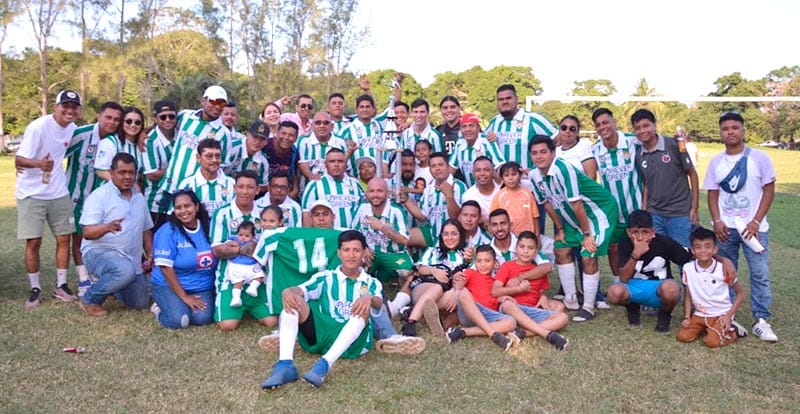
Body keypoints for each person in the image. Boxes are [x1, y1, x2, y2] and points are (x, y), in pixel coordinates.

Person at [260, 231, 384, 389]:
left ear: (364, 252)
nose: (351, 255)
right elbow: (300, 290)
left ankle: (324, 365)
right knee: (293, 302)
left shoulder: (371, 282)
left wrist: (369, 298)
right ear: (339, 252)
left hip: (353, 344)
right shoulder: (325, 277)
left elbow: (378, 303)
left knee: (362, 312)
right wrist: (288, 291)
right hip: (323, 335)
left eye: (356, 250)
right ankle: (285, 365)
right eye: (346, 250)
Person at [529, 135, 622, 322]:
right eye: (534, 153)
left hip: (598, 212)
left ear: (553, 153)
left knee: (588, 254)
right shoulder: (534, 175)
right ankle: (571, 299)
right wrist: (560, 229)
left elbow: (577, 204)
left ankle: (588, 307)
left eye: (543, 152)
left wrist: (587, 234)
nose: (539, 157)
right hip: (574, 217)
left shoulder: (564, 169)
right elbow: (547, 203)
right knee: (561, 249)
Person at [704, 111, 778, 342]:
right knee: (726, 272)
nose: (730, 132)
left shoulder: (759, 157)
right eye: (725, 129)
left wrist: (756, 221)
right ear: (720, 133)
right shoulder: (716, 161)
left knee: (760, 273)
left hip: (754, 229)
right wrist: (717, 221)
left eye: (735, 127)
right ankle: (729, 316)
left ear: (743, 130)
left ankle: (761, 320)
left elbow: (769, 190)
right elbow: (712, 194)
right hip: (726, 229)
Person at [15, 89, 82, 308]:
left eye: (74, 107)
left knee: (64, 238)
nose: (70, 110)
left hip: (58, 191)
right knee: (34, 241)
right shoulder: (38, 127)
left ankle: (61, 286)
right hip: (31, 192)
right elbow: (19, 159)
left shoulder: (73, 129)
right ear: (56, 107)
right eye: (66, 106)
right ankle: (35, 288)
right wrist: (39, 164)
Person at [78, 153, 153, 317]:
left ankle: (113, 285)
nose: (127, 177)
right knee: (124, 271)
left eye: (131, 173)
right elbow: (87, 232)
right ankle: (89, 299)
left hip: (130, 259)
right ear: (112, 173)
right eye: (122, 172)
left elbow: (146, 229)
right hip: (99, 253)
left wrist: (150, 253)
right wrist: (107, 227)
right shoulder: (99, 196)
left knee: (140, 302)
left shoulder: (139, 197)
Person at [66, 100, 123, 297]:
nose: (112, 122)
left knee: (102, 235)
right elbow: (58, 153)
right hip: (77, 195)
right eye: (108, 117)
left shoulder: (117, 140)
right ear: (99, 116)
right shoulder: (82, 134)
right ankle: (83, 277)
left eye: (116, 119)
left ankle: (98, 274)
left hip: (103, 199)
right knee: (78, 236)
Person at [605, 210, 693, 332]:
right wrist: (635, 254)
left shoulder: (664, 242)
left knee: (671, 289)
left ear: (653, 232)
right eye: (635, 232)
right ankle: (632, 306)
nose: (640, 237)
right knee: (614, 293)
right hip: (633, 285)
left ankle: (665, 314)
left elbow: (688, 256)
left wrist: (718, 258)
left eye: (645, 232)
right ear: (628, 232)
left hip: (659, 287)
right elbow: (624, 278)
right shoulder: (624, 244)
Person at [210, 170, 269, 331]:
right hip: (230, 278)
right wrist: (244, 249)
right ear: (234, 188)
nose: (245, 191)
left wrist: (236, 248)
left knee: (272, 321)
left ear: (257, 190)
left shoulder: (264, 213)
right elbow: (217, 250)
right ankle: (235, 304)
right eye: (241, 187)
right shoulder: (223, 213)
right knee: (228, 325)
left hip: (257, 277)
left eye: (250, 187)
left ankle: (251, 304)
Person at [591, 107, 643, 287]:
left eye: (605, 122)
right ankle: (618, 281)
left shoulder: (633, 141)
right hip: (613, 211)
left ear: (614, 122)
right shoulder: (595, 150)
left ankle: (641, 282)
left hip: (636, 208)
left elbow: (654, 141)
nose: (602, 127)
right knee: (613, 248)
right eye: (598, 125)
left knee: (640, 246)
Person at [632, 108, 698, 247]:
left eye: (646, 126)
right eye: (638, 128)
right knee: (659, 255)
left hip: (679, 213)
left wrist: (695, 207)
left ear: (654, 126)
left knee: (682, 253)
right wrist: (645, 208)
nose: (642, 131)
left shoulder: (674, 145)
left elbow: (692, 174)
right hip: (655, 214)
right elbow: (647, 182)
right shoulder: (639, 154)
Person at [492, 231, 569, 350]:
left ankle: (523, 332)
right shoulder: (507, 266)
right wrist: (518, 289)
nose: (525, 251)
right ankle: (546, 333)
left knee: (562, 315)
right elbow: (495, 291)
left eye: (530, 248)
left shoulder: (538, 270)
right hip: (514, 308)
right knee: (507, 304)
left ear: (536, 251)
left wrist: (543, 297)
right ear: (516, 248)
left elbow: (542, 291)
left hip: (532, 309)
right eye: (522, 247)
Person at [150, 189, 216, 329]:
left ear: (196, 206)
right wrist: (184, 296)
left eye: (187, 206)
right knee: (179, 321)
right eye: (178, 207)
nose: (183, 211)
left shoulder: (210, 226)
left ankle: (177, 306)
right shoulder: (168, 231)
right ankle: (160, 308)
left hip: (201, 286)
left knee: (203, 318)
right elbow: (165, 268)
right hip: (169, 284)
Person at [677, 227, 745, 348]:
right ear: (692, 250)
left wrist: (728, 315)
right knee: (683, 336)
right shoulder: (688, 268)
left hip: (721, 314)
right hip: (700, 314)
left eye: (708, 247)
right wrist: (687, 317)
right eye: (698, 247)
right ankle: (710, 328)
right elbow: (688, 295)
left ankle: (734, 330)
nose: (703, 250)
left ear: (715, 249)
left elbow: (740, 293)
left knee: (711, 342)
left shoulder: (723, 269)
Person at [401, 219, 470, 338]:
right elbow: (419, 268)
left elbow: (467, 276)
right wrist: (434, 271)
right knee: (437, 288)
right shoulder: (433, 251)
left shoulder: (465, 255)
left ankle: (417, 310)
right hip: (425, 286)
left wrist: (456, 291)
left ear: (461, 235)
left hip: (448, 292)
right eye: (446, 234)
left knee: (461, 295)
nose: (450, 238)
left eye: (454, 234)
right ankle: (411, 321)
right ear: (441, 236)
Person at [161, 85, 233, 197]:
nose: (218, 106)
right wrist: (143, 134)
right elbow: (163, 126)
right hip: (170, 186)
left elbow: (222, 166)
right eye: (214, 101)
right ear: (203, 101)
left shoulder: (224, 134)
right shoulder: (185, 116)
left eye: (222, 104)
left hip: (195, 193)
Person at [445, 245, 516, 351]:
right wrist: (457, 288)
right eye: (479, 261)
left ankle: (463, 332)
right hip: (470, 313)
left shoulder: (496, 282)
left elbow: (493, 299)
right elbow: (459, 283)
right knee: (463, 292)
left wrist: (501, 299)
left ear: (495, 263)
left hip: (487, 316)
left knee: (511, 322)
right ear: (475, 262)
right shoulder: (471, 273)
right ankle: (492, 334)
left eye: (487, 261)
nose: (483, 265)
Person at [352, 177, 414, 282]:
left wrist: (382, 227)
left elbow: (404, 240)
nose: (375, 195)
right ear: (366, 194)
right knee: (352, 266)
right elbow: (353, 233)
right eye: (371, 191)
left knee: (407, 273)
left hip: (394, 254)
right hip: (370, 253)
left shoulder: (396, 211)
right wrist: (364, 247)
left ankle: (398, 287)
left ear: (387, 193)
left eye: (379, 191)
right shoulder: (362, 208)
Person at [485, 84, 556, 171]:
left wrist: (539, 170)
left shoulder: (533, 119)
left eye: (508, 98)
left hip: (528, 178)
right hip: (502, 178)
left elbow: (557, 140)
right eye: (501, 99)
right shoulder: (495, 121)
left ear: (517, 99)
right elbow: (483, 143)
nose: (504, 102)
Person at [405, 152, 468, 248]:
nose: (437, 168)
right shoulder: (429, 189)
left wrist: (449, 197)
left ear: (448, 167)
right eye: (433, 166)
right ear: (430, 170)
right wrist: (405, 201)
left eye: (440, 165)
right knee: (403, 237)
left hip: (454, 236)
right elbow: (423, 216)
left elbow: (457, 217)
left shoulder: (459, 186)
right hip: (432, 232)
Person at [301, 148, 363, 228]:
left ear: (345, 163)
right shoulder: (314, 185)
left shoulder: (355, 184)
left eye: (340, 161)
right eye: (332, 161)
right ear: (325, 164)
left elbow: (363, 210)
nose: (336, 164)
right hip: (327, 234)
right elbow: (306, 214)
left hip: (352, 234)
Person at [142, 99, 178, 231]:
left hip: (178, 202)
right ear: (155, 119)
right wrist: (180, 170)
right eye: (163, 117)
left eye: (171, 116)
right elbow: (152, 174)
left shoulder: (182, 134)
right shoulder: (150, 141)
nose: (167, 120)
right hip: (156, 201)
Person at [178, 139, 235, 217]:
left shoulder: (232, 184)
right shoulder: (187, 184)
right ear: (198, 158)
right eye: (209, 156)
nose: (214, 160)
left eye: (217, 156)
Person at [449, 113, 505, 187]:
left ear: (478, 128)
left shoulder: (487, 141)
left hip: (490, 189)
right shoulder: (460, 143)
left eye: (471, 126)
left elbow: (500, 166)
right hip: (470, 190)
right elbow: (451, 168)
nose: (468, 129)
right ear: (460, 130)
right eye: (464, 126)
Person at [94, 106, 145, 187]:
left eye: (137, 122)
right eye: (128, 121)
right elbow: (100, 170)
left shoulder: (141, 145)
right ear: (122, 122)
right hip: (109, 191)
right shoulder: (110, 142)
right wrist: (126, 185)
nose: (133, 125)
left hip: (132, 193)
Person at [339, 94, 386, 175]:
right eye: (362, 107)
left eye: (368, 107)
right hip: (356, 176)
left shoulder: (379, 125)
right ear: (357, 109)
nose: (365, 109)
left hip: (378, 176)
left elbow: (394, 109)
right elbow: (338, 156)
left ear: (373, 109)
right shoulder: (346, 131)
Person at [490, 161, 539, 236]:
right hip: (508, 236)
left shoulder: (527, 194)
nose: (510, 178)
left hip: (527, 235)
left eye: (514, 174)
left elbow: (535, 216)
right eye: (506, 175)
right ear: (502, 178)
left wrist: (537, 236)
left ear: (520, 175)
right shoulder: (499, 195)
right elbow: (493, 217)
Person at [297, 111, 346, 182]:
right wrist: (311, 176)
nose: (322, 126)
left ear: (332, 126)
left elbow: (345, 165)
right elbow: (302, 163)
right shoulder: (303, 141)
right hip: (309, 184)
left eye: (326, 123)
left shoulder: (340, 142)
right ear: (312, 126)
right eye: (318, 123)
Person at [225, 121, 271, 193]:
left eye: (262, 139)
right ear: (247, 135)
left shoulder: (263, 162)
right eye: (255, 137)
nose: (258, 141)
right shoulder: (231, 148)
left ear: (266, 142)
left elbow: (263, 186)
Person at [262, 120, 300, 200]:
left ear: (296, 138)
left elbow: (294, 173)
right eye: (283, 133)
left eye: (291, 135)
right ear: (277, 133)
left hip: (282, 193)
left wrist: (295, 190)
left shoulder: (294, 152)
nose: (286, 138)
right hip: (261, 192)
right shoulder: (264, 145)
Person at [462, 156, 500, 225]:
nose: (482, 173)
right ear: (473, 173)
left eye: (486, 170)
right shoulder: (468, 196)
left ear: (493, 172)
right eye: (478, 170)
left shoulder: (502, 190)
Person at [555, 115, 597, 179]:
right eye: (564, 128)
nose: (567, 131)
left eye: (572, 129)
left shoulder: (584, 149)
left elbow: (592, 178)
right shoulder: (554, 152)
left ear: (577, 132)